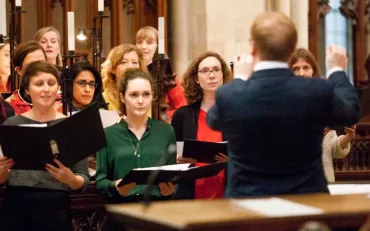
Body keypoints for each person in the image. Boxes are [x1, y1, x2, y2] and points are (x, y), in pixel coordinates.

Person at [206, 12, 360, 198]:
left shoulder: (231, 93)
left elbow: (213, 120)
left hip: (249, 205)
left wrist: (239, 79)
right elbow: (350, 112)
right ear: (291, 48)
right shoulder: (318, 91)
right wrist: (336, 70)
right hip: (306, 202)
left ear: (253, 47)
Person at [0, 61, 89, 231]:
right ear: (27, 89)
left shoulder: (72, 127)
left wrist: (70, 179)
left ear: (58, 88)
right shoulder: (12, 124)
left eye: (51, 83)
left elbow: (82, 178)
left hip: (55, 207)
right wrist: (2, 172)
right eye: (39, 84)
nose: (46, 89)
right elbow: (2, 178)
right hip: (16, 205)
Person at [96, 68, 176, 230]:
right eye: (134, 95)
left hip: (157, 214)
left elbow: (174, 176)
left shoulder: (166, 131)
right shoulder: (108, 134)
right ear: (122, 97)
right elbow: (101, 181)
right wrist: (115, 186)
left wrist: (171, 189)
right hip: (121, 214)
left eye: (146, 94)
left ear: (153, 96)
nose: (141, 101)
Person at [289, 48, 356, 183]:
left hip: (323, 180)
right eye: (295, 69)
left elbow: (330, 149)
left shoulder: (324, 100)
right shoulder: (282, 103)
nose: (301, 73)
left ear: (313, 70)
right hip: (293, 181)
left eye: (306, 67)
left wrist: (348, 137)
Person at [171, 51, 232, 199]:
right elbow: (172, 158)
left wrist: (232, 161)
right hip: (191, 195)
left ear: (223, 75)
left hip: (228, 195)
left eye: (216, 70)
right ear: (196, 79)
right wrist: (178, 159)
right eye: (205, 71)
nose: (212, 75)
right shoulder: (182, 115)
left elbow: (249, 157)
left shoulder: (236, 113)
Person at [136, 26, 187, 121]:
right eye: (139, 42)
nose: (143, 47)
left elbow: (182, 107)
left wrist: (162, 114)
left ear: (158, 46)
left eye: (149, 43)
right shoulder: (132, 74)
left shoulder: (168, 76)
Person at [101, 44, 147, 112]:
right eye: (124, 62)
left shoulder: (146, 96)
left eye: (134, 62)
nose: (130, 66)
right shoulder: (103, 99)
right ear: (113, 69)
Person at [6, 41, 47, 114]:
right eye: (32, 65)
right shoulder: (8, 107)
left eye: (42, 63)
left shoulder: (61, 103)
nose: (39, 68)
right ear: (19, 70)